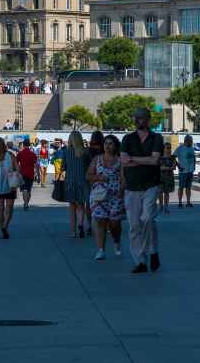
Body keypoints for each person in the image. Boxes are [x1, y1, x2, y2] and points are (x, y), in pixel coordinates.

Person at [121, 110, 167, 273]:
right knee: (134, 225)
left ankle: (152, 251)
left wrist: (133, 159)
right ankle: (140, 261)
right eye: (137, 118)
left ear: (148, 120)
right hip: (132, 186)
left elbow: (155, 160)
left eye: (143, 118)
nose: (140, 120)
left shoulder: (156, 138)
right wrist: (144, 160)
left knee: (147, 218)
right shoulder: (128, 139)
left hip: (150, 185)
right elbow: (124, 161)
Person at [87, 132, 125, 261]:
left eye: (110, 144)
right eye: (106, 143)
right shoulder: (97, 159)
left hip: (115, 196)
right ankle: (101, 250)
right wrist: (98, 177)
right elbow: (88, 175)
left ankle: (116, 241)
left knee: (114, 223)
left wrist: (122, 190)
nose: (108, 146)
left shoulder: (120, 161)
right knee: (100, 221)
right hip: (99, 196)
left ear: (115, 146)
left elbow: (124, 178)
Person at [0, 137, 20, 238]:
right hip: (10, 185)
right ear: (4, 145)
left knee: (0, 207)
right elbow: (18, 169)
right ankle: (5, 226)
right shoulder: (10, 155)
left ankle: (2, 227)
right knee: (9, 208)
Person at [62, 129, 91, 238]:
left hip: (70, 182)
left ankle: (73, 232)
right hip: (83, 182)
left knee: (72, 208)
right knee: (81, 206)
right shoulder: (85, 152)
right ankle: (80, 225)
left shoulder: (66, 152)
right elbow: (89, 167)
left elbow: (63, 167)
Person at [173, 135, 198, 207]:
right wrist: (178, 166)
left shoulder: (191, 148)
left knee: (188, 187)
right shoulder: (180, 149)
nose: (191, 143)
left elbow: (193, 157)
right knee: (181, 187)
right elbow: (173, 157)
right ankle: (180, 202)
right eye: (191, 141)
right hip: (183, 171)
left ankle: (188, 202)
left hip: (190, 171)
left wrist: (194, 166)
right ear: (186, 141)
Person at [15, 139, 40, 207]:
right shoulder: (32, 154)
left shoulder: (20, 153)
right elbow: (37, 165)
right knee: (29, 190)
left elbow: (16, 163)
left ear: (23, 145)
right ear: (29, 145)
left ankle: (25, 203)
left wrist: (18, 170)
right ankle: (26, 203)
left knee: (24, 189)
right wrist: (38, 176)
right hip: (30, 174)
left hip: (22, 173)